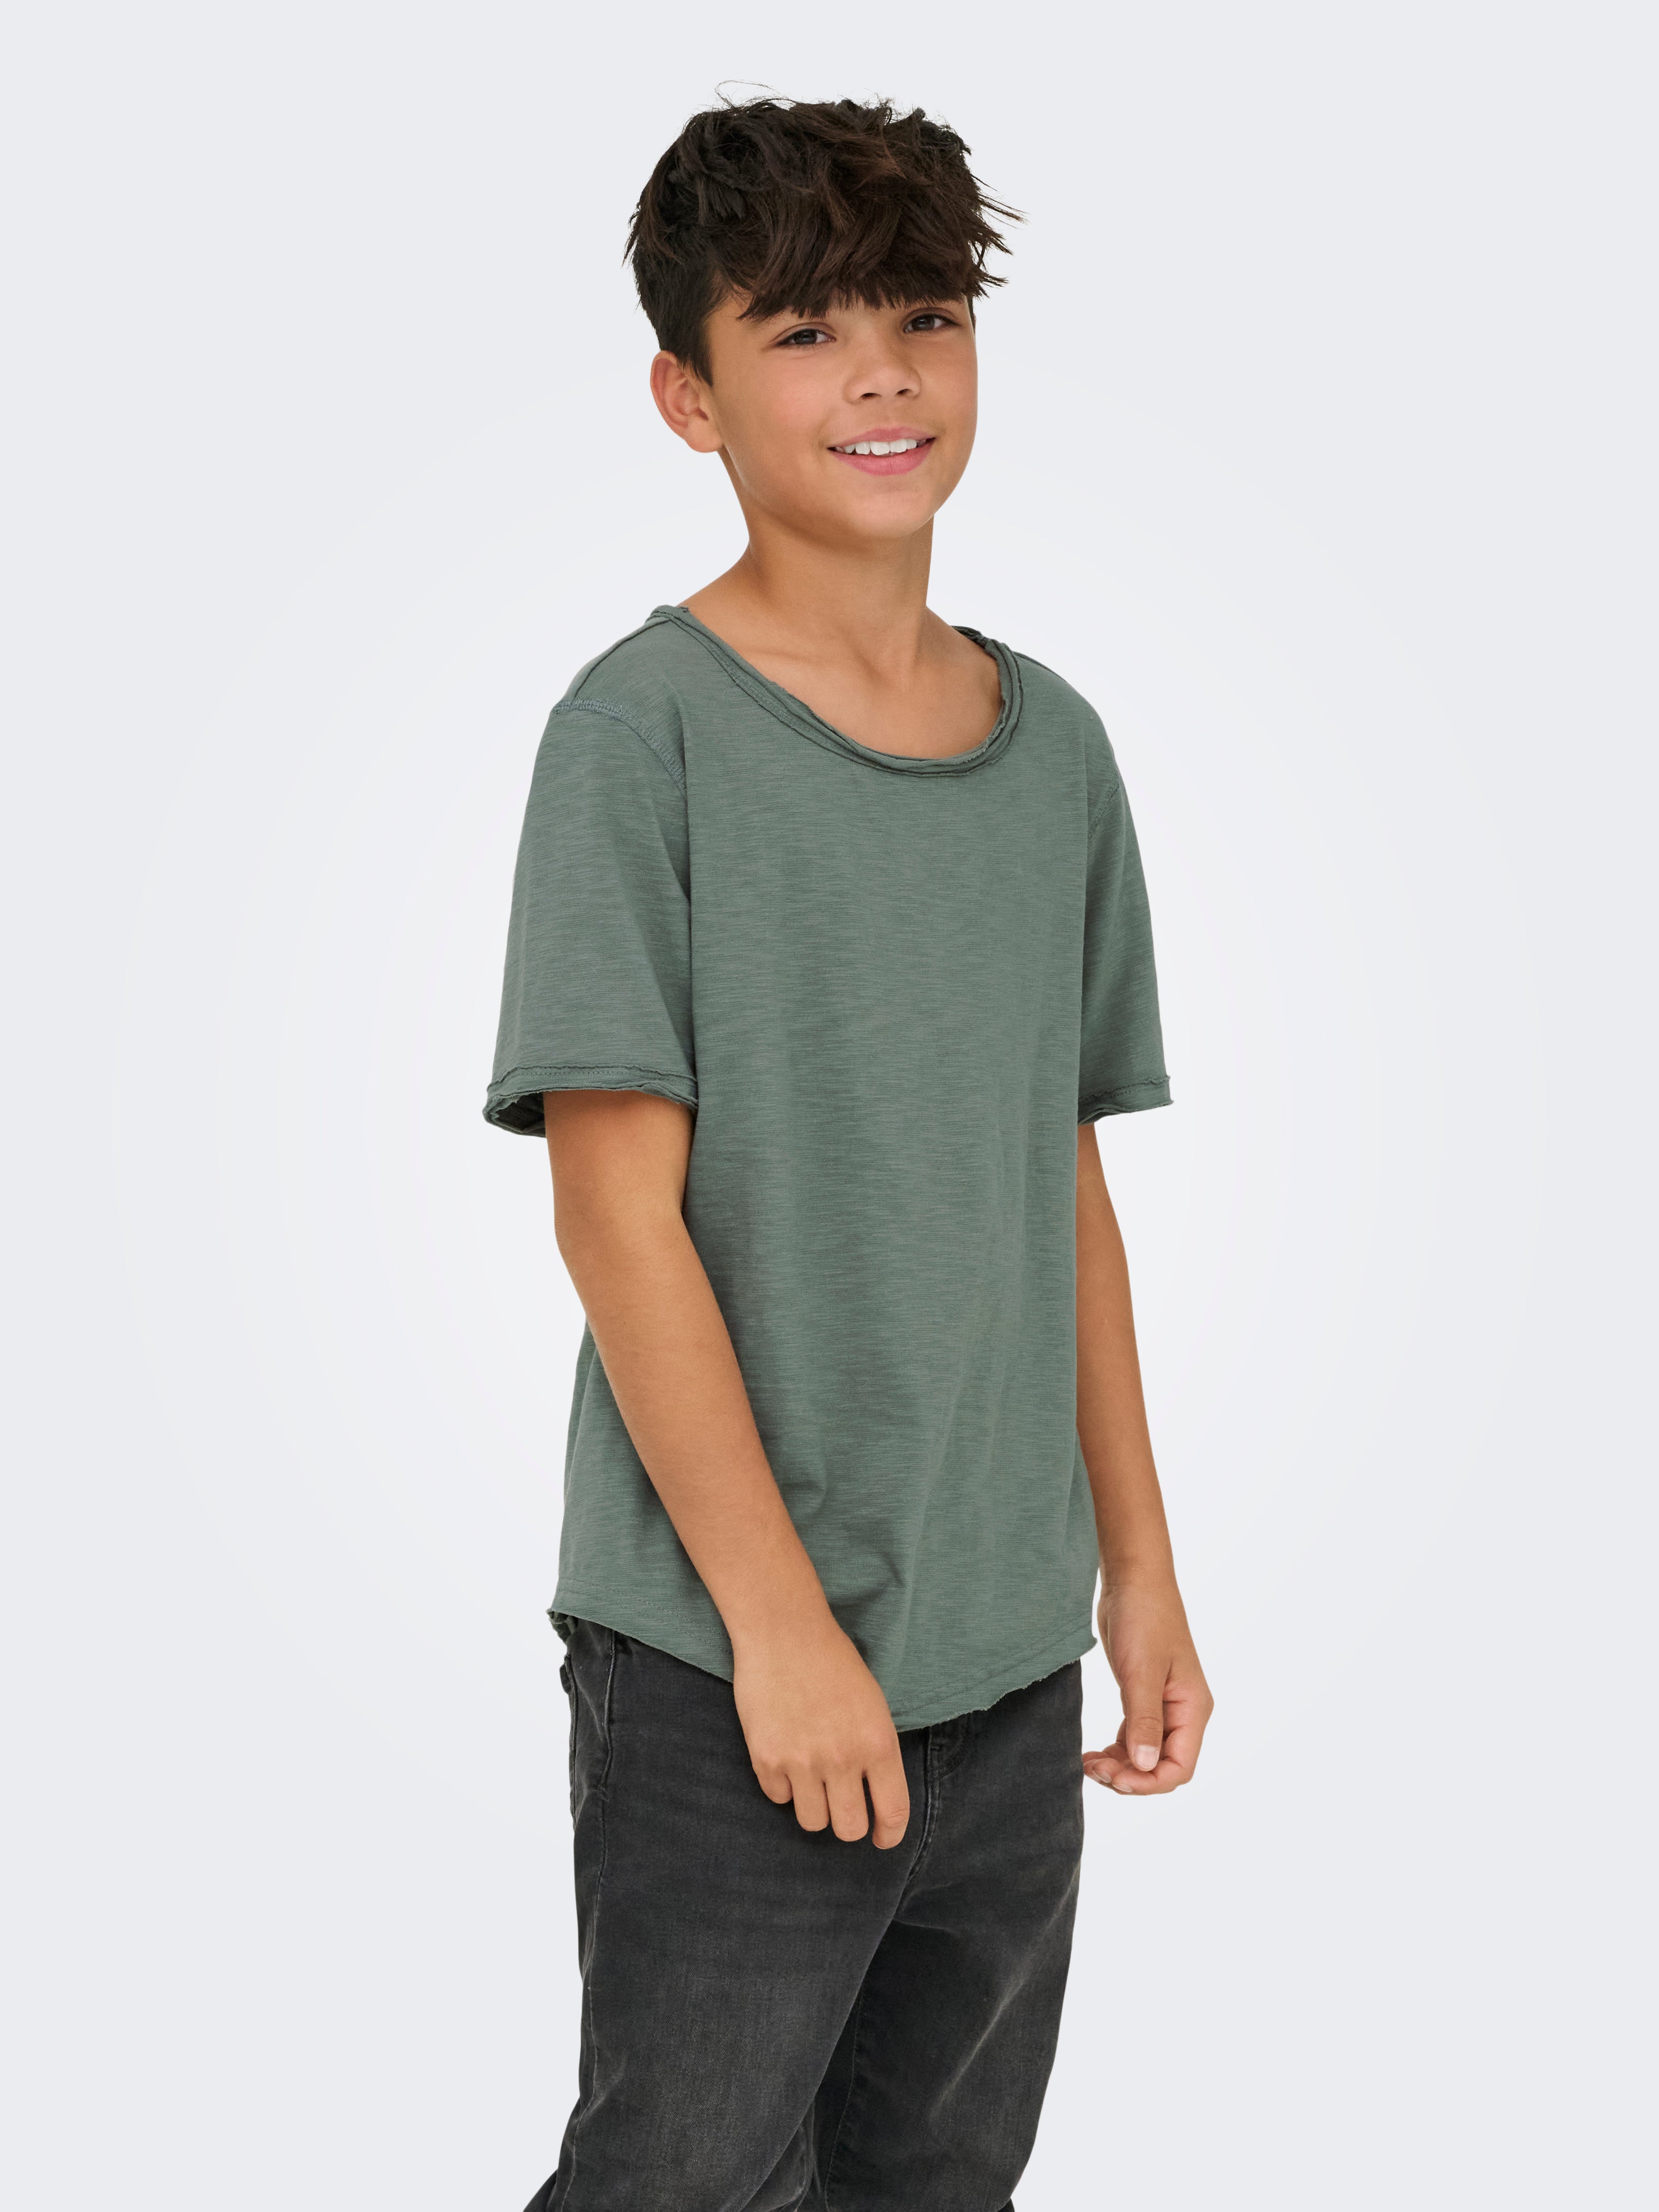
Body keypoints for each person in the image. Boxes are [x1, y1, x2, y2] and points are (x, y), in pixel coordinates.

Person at [483, 93, 1213, 2212]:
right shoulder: (639, 737)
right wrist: (784, 1630)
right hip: (732, 1662)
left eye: (922, 315)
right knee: (680, 2177)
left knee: (935, 2181)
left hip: (1009, 1655)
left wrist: (1140, 1563)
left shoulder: (1055, 749)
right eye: (802, 330)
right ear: (687, 396)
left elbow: (1060, 1184)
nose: (881, 374)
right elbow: (617, 1216)